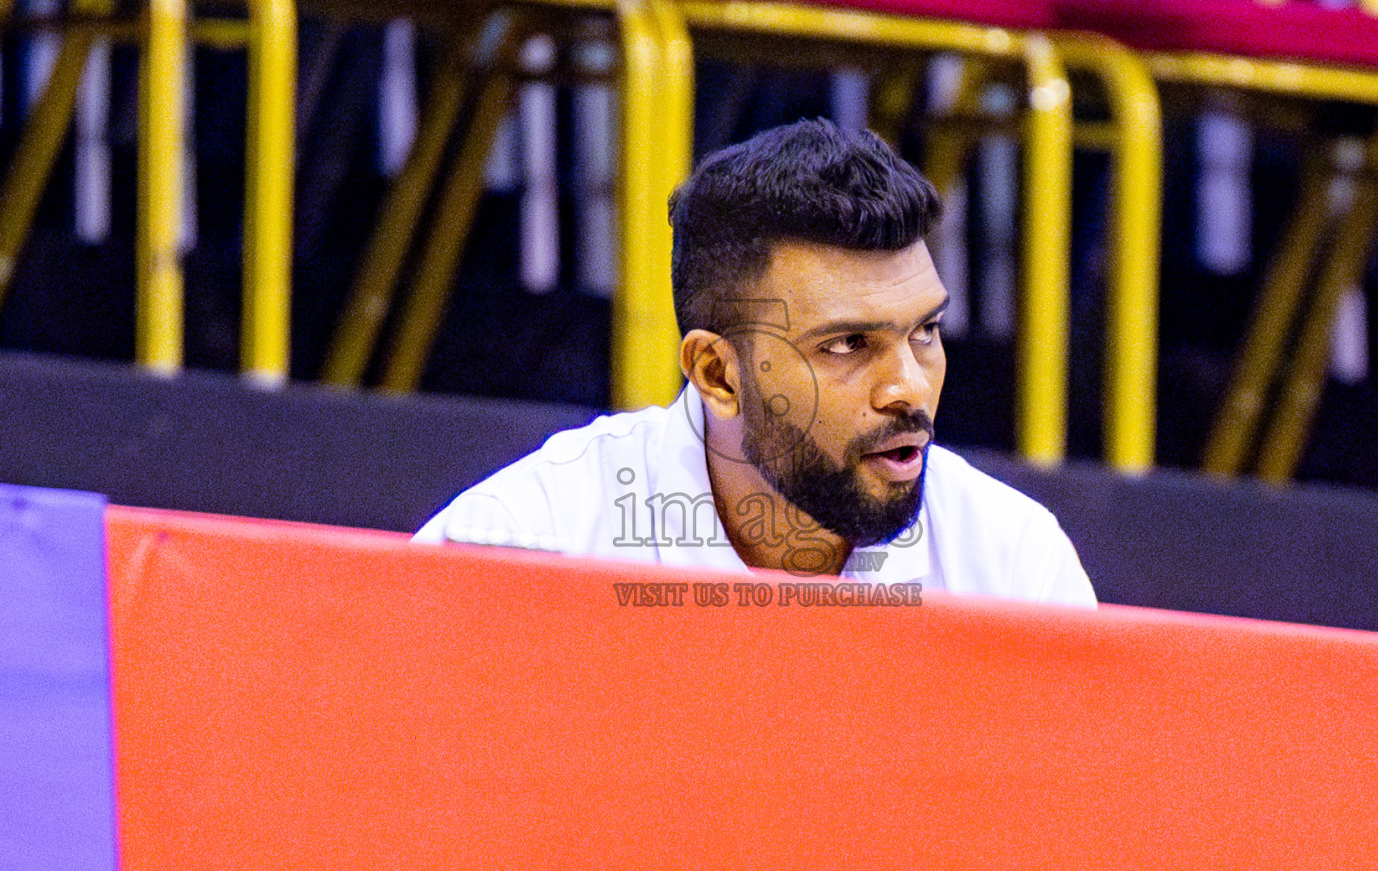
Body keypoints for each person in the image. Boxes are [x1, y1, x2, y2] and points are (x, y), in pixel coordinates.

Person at [415, 119, 1096, 607]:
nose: (907, 388)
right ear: (716, 373)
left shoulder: (1013, 567)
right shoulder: (521, 545)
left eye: (925, 332)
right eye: (846, 345)